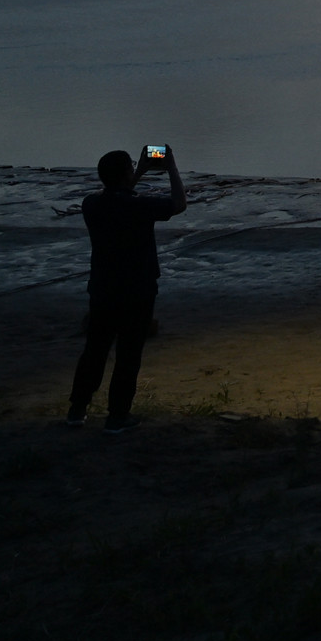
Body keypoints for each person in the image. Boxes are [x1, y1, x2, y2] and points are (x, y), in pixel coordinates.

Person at [66, 145, 186, 433]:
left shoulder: (91, 204)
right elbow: (179, 204)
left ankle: (76, 410)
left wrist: (141, 170)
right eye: (131, 168)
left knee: (94, 351)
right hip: (137, 291)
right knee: (128, 355)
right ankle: (117, 415)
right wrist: (170, 166)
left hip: (103, 290)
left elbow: (119, 193)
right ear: (124, 175)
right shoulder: (139, 206)